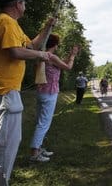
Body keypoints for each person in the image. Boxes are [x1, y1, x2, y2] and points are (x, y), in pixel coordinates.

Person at [0, 0, 55, 185]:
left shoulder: (13, 26)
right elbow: (16, 53)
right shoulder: (5, 22)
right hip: (1, 95)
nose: (25, 7)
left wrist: (47, 27)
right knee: (2, 148)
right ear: (17, 4)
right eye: (24, 3)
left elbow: (31, 46)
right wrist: (43, 56)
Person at [30, 34, 79, 162]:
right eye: (58, 44)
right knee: (44, 123)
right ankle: (35, 153)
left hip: (41, 91)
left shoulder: (43, 55)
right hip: (50, 93)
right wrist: (73, 55)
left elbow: (60, 63)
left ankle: (38, 148)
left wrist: (69, 56)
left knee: (40, 122)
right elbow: (67, 67)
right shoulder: (52, 56)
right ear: (55, 45)